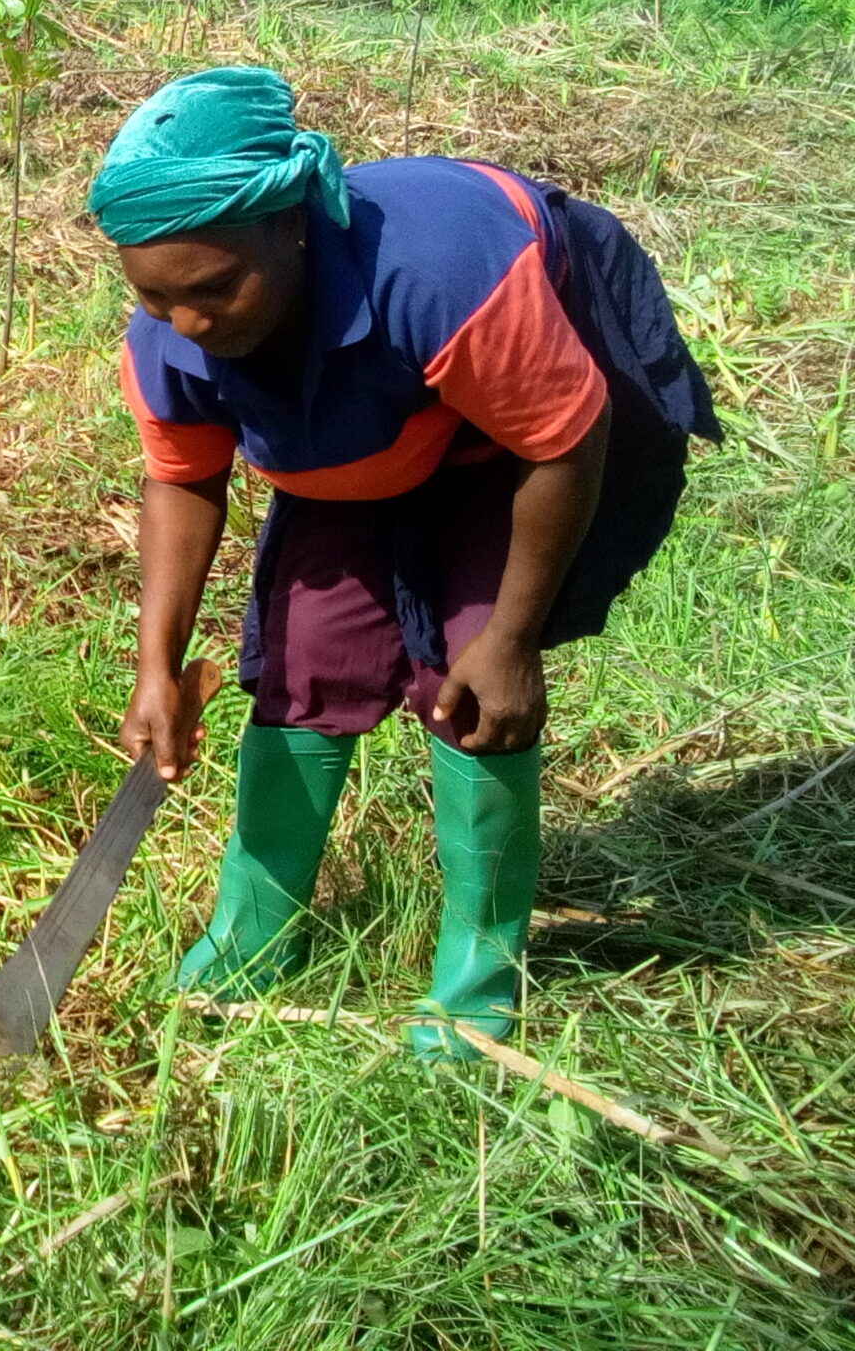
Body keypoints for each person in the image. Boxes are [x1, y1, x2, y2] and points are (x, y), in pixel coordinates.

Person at [95, 67, 716, 1057]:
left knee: (473, 678)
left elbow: (563, 440)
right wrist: (155, 667)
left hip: (512, 446)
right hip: (371, 432)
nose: (191, 322)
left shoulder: (439, 278)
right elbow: (183, 481)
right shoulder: (169, 337)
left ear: (294, 226)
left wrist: (511, 639)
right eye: (155, 295)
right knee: (304, 659)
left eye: (213, 287)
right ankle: (253, 936)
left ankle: (477, 979)